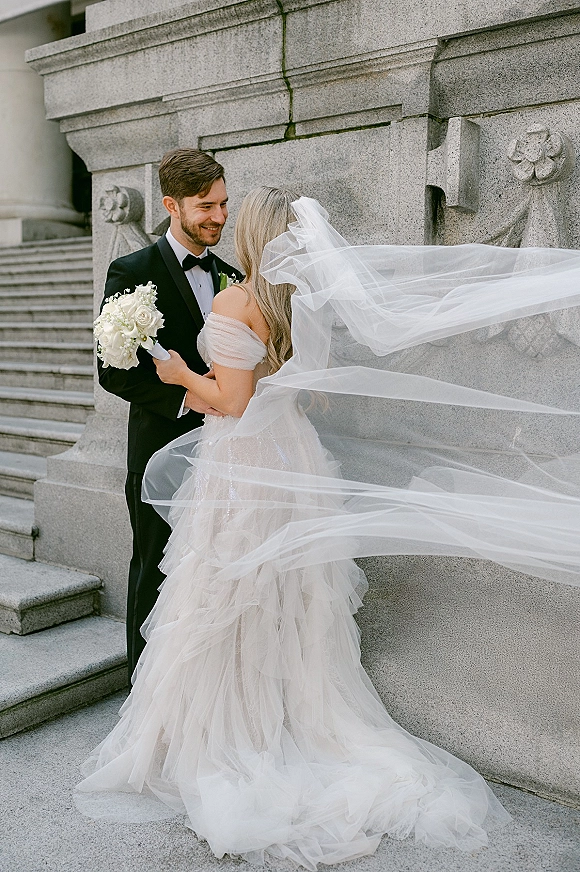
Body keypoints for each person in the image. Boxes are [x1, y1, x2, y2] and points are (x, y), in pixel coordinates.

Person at [77, 188, 580, 868]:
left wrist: (174, 371)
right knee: (290, 599)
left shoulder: (236, 300)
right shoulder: (300, 306)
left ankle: (235, 732)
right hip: (295, 457)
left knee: (230, 598)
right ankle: (286, 717)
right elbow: (310, 391)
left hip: (245, 465)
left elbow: (229, 400)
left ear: (252, 235)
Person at [97, 148, 242, 679]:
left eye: (224, 203)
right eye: (206, 206)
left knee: (213, 570)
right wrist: (186, 396)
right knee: (153, 566)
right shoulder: (133, 270)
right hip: (161, 448)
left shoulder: (232, 275)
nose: (220, 217)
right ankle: (143, 690)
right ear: (171, 205)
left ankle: (201, 685)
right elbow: (113, 370)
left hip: (228, 450)